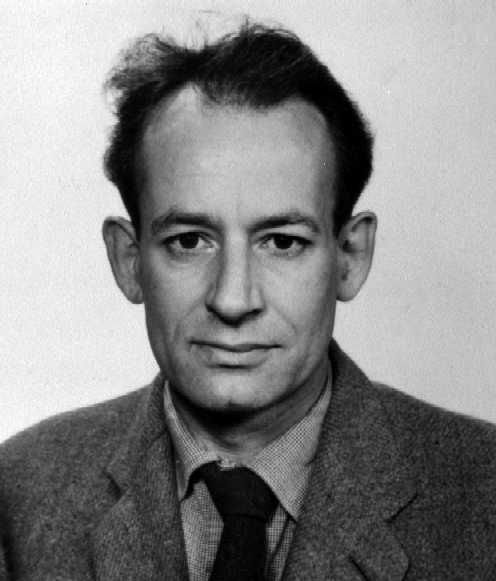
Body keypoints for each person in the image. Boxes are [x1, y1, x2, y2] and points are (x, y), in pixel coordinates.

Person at [1, 21, 495, 581]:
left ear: (351, 256)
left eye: (282, 242)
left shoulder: (484, 493)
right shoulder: (17, 493)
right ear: (129, 260)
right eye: (189, 241)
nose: (233, 300)